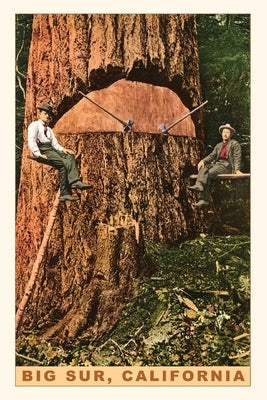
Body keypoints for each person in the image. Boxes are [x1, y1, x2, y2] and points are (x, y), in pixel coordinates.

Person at [28, 103, 92, 201]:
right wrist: (38, 153)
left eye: (49, 115)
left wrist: (63, 149)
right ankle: (71, 185)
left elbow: (55, 144)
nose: (47, 116)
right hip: (41, 149)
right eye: (45, 113)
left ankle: (69, 188)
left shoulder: (49, 129)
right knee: (63, 163)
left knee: (69, 157)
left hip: (51, 149)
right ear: (40, 114)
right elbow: (31, 141)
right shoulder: (34, 125)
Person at [188, 123, 243, 208]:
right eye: (224, 132)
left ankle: (203, 198)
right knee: (204, 168)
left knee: (208, 173)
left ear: (230, 134)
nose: (225, 134)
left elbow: (237, 157)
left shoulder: (234, 144)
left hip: (227, 166)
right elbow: (212, 156)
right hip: (217, 164)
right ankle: (200, 190)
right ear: (221, 133)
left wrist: (237, 170)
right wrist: (203, 161)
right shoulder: (219, 145)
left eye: (227, 132)